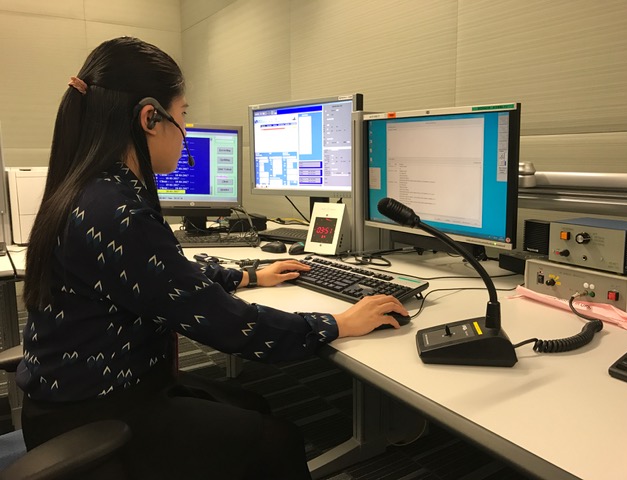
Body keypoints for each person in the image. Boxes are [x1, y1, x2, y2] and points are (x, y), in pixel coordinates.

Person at [17, 36, 408, 480]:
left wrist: (247, 275)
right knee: (276, 439)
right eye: (183, 116)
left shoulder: (91, 189)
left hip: (77, 392)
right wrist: (338, 323)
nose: (185, 131)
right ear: (150, 118)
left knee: (251, 404)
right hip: (94, 417)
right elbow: (229, 326)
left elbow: (164, 276)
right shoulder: (117, 210)